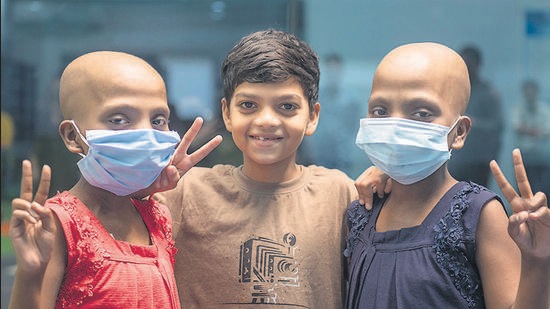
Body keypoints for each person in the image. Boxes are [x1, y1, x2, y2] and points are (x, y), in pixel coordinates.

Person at [155, 29, 373, 308]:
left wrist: (388, 177)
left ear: (312, 116)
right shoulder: (185, 191)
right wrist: (147, 179)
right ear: (227, 113)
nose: (267, 120)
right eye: (248, 105)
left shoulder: (338, 193)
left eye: (286, 106)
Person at [8, 51, 222, 308]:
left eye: (158, 120)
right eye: (119, 120)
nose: (144, 133)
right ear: (72, 136)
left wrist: (146, 188)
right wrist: (29, 275)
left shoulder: (157, 217)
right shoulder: (57, 225)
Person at [347, 42, 550, 308]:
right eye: (380, 111)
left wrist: (537, 264)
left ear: (459, 132)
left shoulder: (477, 214)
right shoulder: (362, 211)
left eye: (420, 113)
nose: (396, 126)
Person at [304, 53, 371, 179]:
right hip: (319, 155)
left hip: (343, 155)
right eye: (330, 71)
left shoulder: (351, 100)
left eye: (336, 71)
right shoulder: (316, 97)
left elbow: (357, 126)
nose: (333, 75)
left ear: (341, 72)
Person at [448, 45, 503, 187]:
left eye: (469, 64)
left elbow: (497, 125)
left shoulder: (489, 93)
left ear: (477, 65)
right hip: (456, 159)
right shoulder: (453, 91)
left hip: (479, 161)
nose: (466, 68)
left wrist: (471, 122)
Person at [513, 79, 550, 193]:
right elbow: (516, 126)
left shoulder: (544, 110)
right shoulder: (518, 109)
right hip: (525, 158)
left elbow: (547, 130)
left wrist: (528, 130)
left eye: (532, 91)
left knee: (543, 189)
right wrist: (536, 132)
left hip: (541, 158)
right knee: (524, 189)